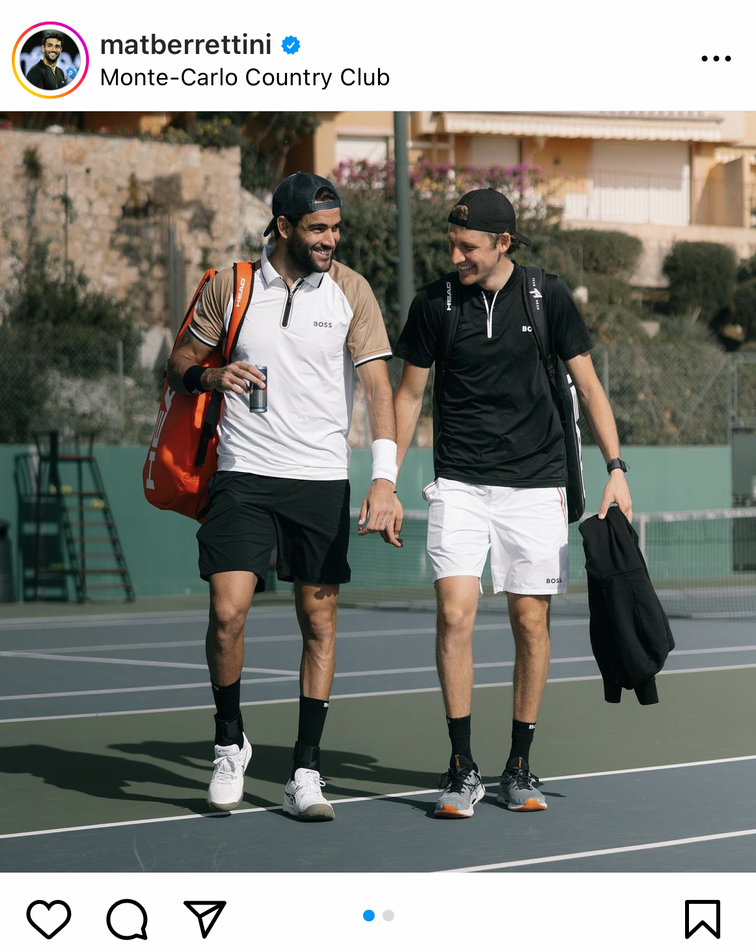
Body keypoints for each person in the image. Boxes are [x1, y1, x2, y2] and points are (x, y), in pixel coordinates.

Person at [391, 188, 632, 818]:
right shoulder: (434, 304)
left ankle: (518, 763)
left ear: (504, 243)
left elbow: (589, 385)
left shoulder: (545, 296)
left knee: (531, 623)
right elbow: (409, 395)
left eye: (468, 246)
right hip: (462, 484)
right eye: (451, 243)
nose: (456, 254)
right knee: (455, 613)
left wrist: (616, 469)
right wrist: (384, 477)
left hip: (535, 483)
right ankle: (461, 766)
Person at [167, 172, 400, 820]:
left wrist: (384, 477)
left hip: (320, 480)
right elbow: (178, 360)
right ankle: (227, 740)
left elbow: (380, 390)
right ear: (284, 227)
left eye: (336, 229)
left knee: (319, 623)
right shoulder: (232, 286)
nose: (330, 240)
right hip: (243, 473)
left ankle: (305, 768)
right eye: (318, 228)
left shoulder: (351, 290)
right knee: (227, 611)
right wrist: (210, 373)